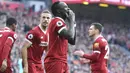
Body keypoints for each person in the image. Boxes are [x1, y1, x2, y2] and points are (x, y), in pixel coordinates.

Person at [44, 1, 76, 73]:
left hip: (62, 60)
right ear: (59, 11)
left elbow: (72, 40)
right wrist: (71, 20)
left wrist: (73, 23)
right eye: (66, 8)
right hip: (55, 60)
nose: (69, 10)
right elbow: (69, 34)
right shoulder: (56, 21)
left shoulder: (61, 23)